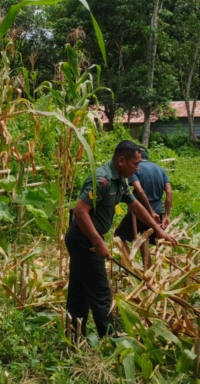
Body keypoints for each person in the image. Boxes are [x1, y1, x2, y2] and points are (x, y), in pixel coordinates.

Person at [65, 140, 178, 339]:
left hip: (87, 237)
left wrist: (157, 229)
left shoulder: (121, 181)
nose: (138, 168)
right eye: (135, 164)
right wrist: (97, 242)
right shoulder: (102, 180)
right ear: (121, 160)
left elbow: (135, 206)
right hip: (82, 239)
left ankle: (74, 337)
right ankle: (111, 341)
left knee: (79, 288)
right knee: (101, 292)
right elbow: (81, 212)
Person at [114, 146, 173, 244]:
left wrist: (150, 211)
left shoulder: (134, 168)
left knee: (120, 237)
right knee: (148, 240)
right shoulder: (160, 169)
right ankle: (147, 260)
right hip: (157, 213)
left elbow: (140, 190)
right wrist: (167, 215)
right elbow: (169, 191)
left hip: (139, 213)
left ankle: (128, 259)